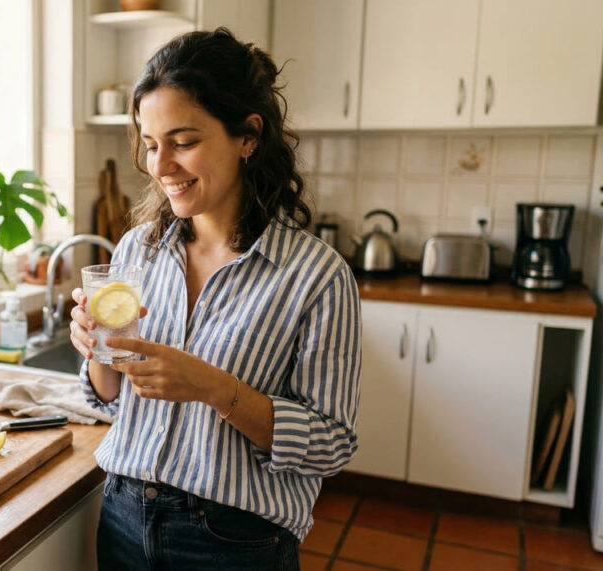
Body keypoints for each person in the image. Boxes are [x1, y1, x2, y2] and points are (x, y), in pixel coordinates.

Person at [68, 28, 361, 570]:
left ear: (248, 135)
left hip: (234, 543)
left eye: (183, 142)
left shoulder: (317, 276)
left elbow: (332, 445)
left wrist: (213, 388)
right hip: (125, 519)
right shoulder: (138, 250)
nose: (160, 166)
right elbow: (110, 397)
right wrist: (96, 351)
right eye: (151, 145)